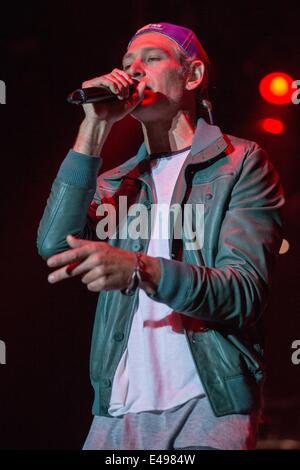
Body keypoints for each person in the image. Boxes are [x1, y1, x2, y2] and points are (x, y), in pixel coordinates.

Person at [36, 22, 285, 450]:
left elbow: (243, 292)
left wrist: (138, 269)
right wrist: (93, 129)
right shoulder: (117, 182)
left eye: (151, 59)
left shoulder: (241, 163)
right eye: (127, 64)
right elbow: (56, 246)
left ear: (192, 76)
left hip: (207, 406)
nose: (134, 72)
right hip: (117, 412)